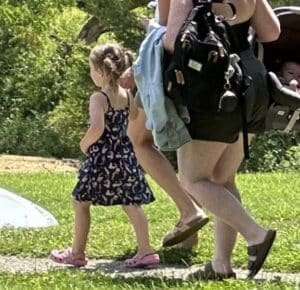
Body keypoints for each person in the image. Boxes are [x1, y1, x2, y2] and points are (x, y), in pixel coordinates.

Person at [159, 0, 280, 280]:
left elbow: (172, 40)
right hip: (251, 85)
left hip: (212, 87)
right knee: (221, 179)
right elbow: (271, 32)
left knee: (192, 179)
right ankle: (221, 265)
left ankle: (256, 235)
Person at [50, 43, 160, 268]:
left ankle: (77, 253)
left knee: (80, 202)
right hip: (125, 157)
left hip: (101, 160)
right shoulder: (127, 95)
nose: (90, 73)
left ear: (100, 71)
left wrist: (84, 144)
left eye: (91, 69)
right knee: (131, 203)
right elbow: (135, 115)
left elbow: (97, 129)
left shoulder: (98, 98)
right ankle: (146, 250)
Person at [121, 1, 209, 249]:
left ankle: (188, 210)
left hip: (170, 72)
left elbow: (168, 33)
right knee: (188, 153)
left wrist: (137, 65)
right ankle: (189, 239)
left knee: (138, 140)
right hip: (210, 71)